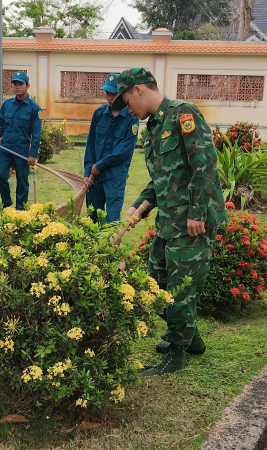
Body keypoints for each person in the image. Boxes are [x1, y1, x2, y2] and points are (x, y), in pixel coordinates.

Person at [112, 67, 228, 377]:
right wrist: (139, 206)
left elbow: (204, 164)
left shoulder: (182, 114)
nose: (128, 109)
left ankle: (176, 355)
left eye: (126, 100)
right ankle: (193, 340)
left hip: (192, 222)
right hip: (169, 221)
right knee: (155, 285)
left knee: (179, 290)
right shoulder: (152, 129)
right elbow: (162, 180)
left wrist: (197, 212)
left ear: (138, 89)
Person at [84, 73, 139, 223]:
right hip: (95, 177)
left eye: (113, 94)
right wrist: (87, 171)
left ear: (121, 94)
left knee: (112, 220)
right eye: (107, 93)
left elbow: (124, 150)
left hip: (115, 177)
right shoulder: (99, 113)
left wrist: (100, 165)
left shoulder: (132, 118)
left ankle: (112, 246)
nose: (109, 97)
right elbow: (90, 144)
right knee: (93, 218)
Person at [0, 71, 42, 211]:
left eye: (20, 84)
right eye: (15, 84)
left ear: (27, 86)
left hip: (22, 150)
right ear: (11, 86)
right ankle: (6, 202)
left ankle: (20, 209)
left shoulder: (34, 108)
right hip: (5, 148)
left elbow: (36, 133)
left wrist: (33, 153)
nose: (17, 87)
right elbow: (0, 124)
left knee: (22, 181)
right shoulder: (7, 105)